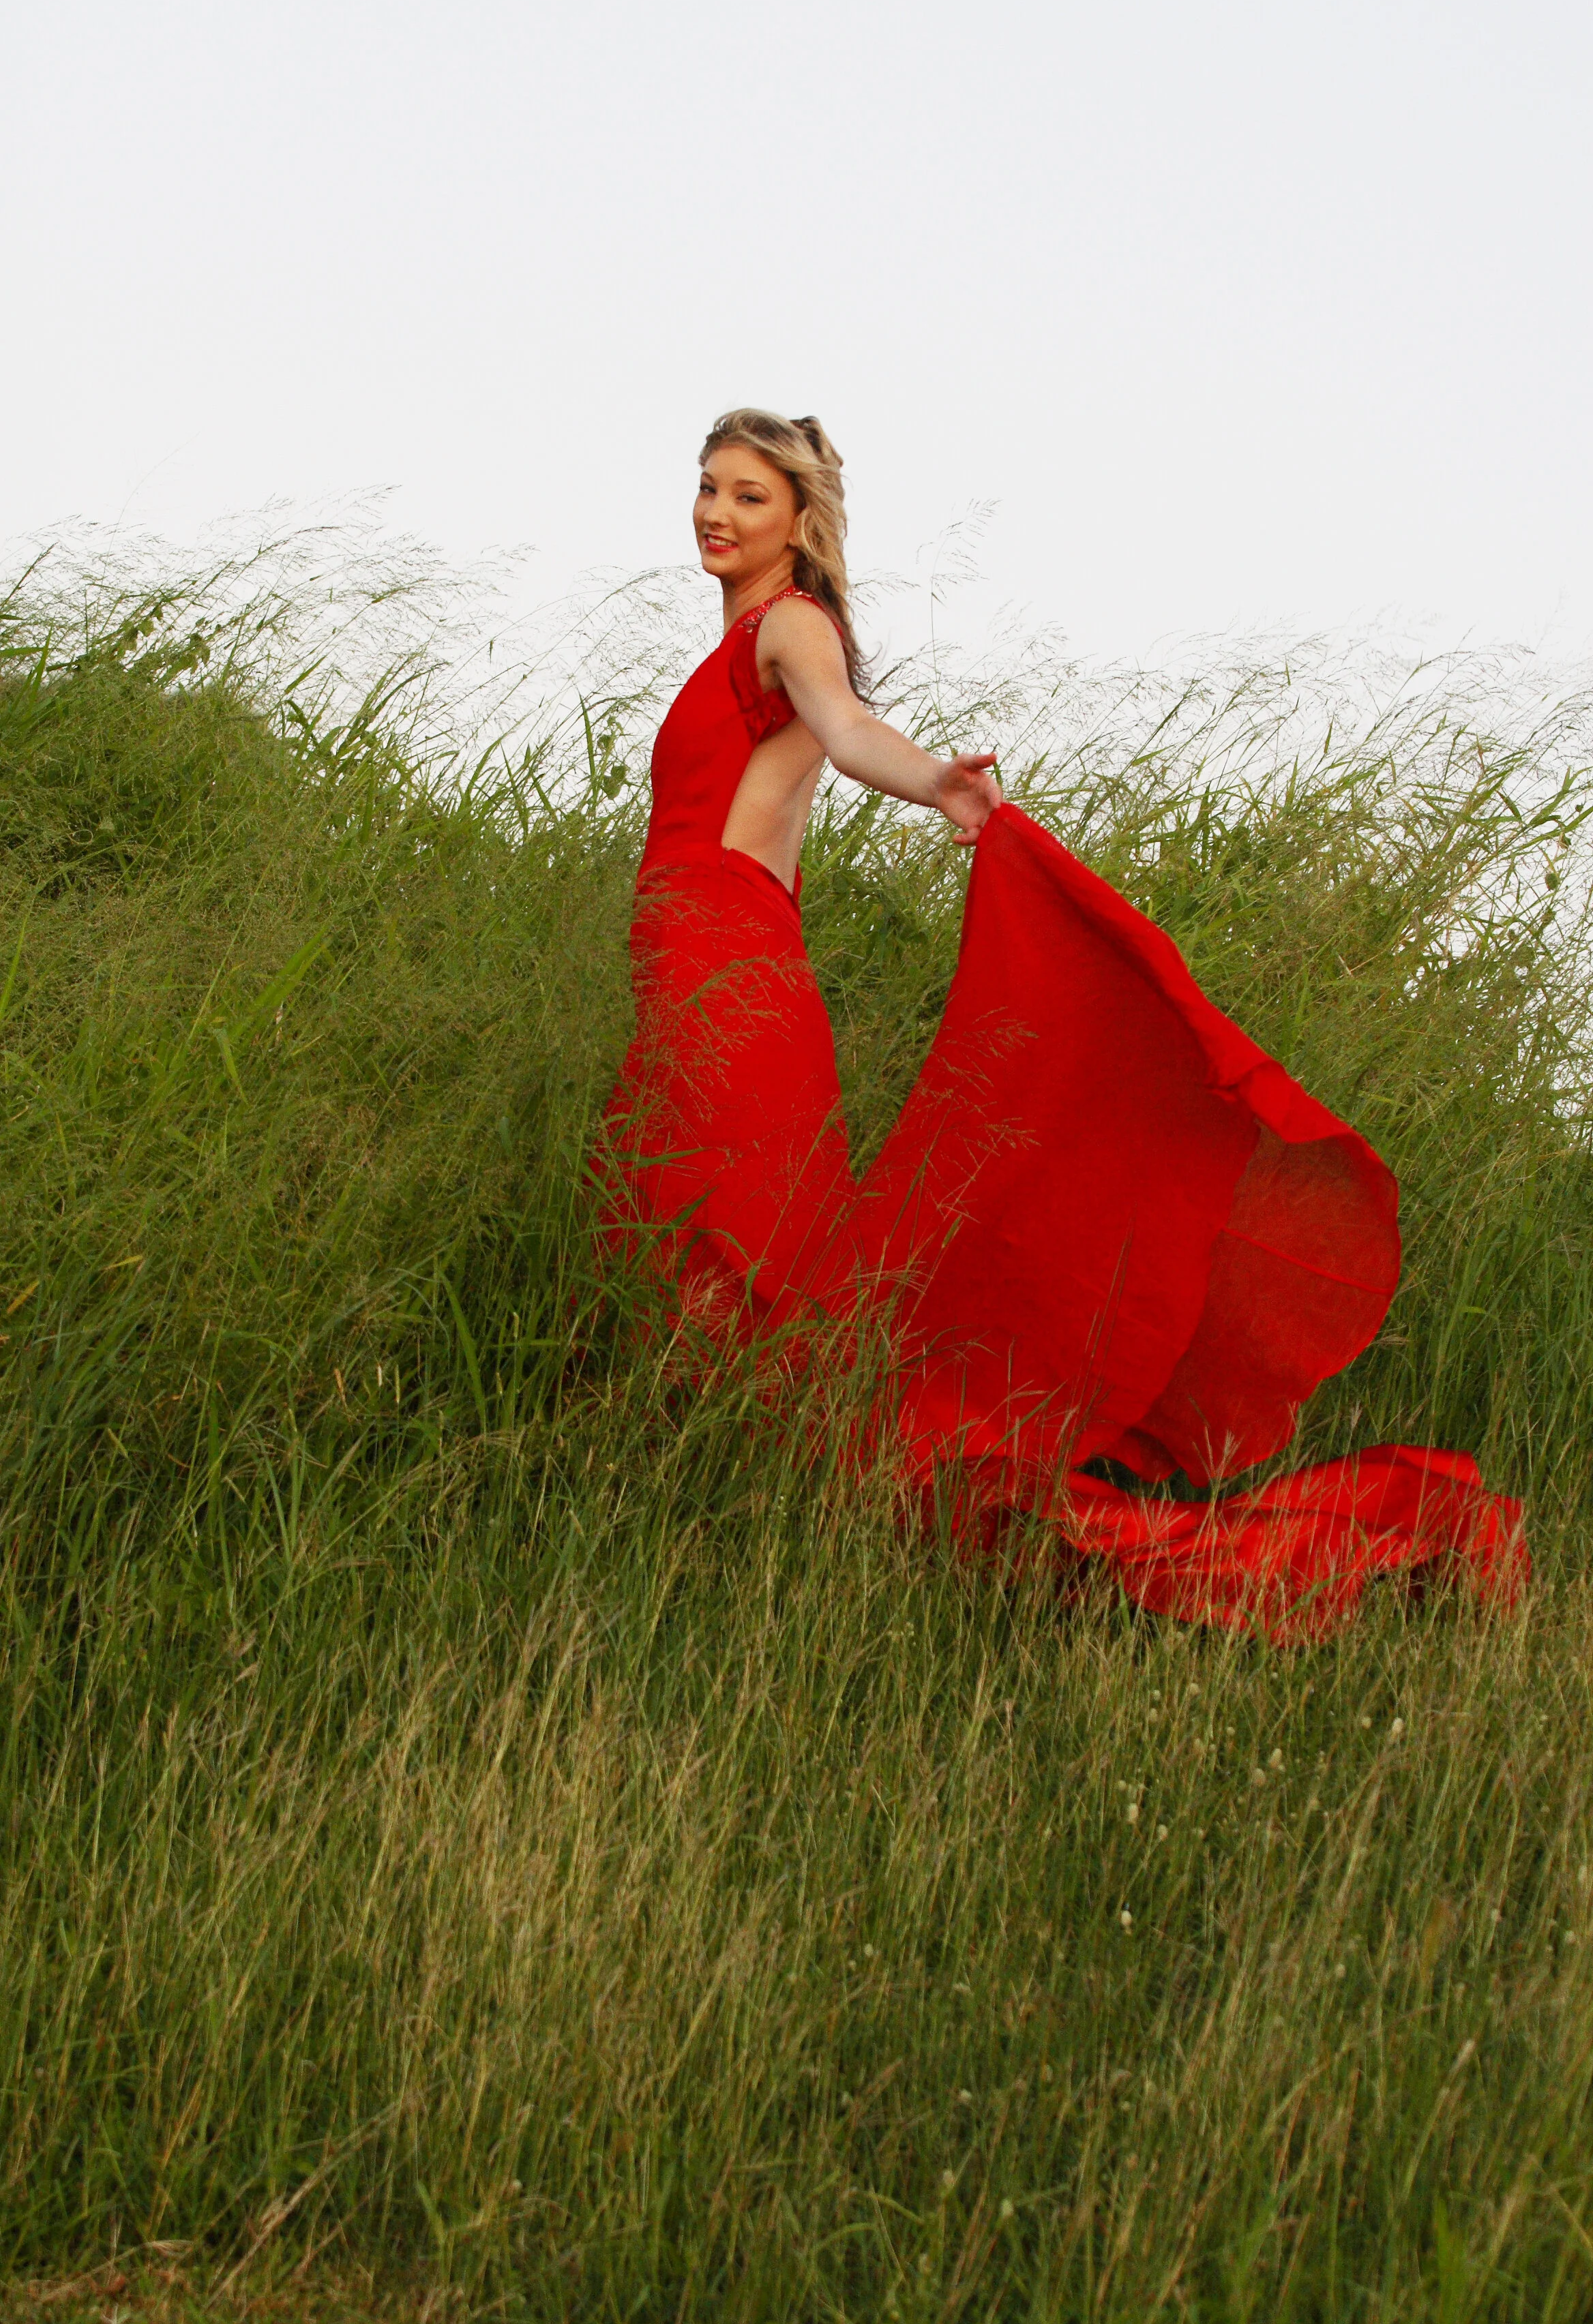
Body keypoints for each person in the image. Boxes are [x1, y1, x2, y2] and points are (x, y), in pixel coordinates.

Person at [603, 407, 1525, 1640]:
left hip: (736, 989)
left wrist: (935, 782)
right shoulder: (738, 637)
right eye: (707, 488)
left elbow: (848, 728)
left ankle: (771, 1529)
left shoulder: (791, 627)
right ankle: (735, 1518)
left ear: (802, 522)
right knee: (694, 1258)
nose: (716, 513)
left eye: (749, 496)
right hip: (699, 979)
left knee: (732, 1265)